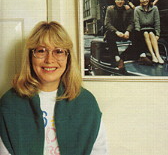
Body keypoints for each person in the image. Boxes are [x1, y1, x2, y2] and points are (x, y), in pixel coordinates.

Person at [0, 21, 107, 155]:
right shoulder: (9, 104)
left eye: (59, 51)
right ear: (30, 56)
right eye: (41, 51)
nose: (49, 60)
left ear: (68, 58)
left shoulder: (86, 103)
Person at [104, 0, 134, 70]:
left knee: (137, 33)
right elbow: (107, 23)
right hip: (115, 33)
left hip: (125, 33)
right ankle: (117, 58)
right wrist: (116, 32)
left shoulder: (128, 10)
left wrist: (128, 31)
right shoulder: (110, 9)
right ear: (115, 0)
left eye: (122, 0)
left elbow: (132, 23)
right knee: (109, 34)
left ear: (124, 1)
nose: (120, 1)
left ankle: (140, 55)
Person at [134, 0, 164, 64]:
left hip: (151, 29)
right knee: (146, 33)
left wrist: (157, 34)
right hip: (142, 31)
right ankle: (153, 55)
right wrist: (138, 36)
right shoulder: (137, 9)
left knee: (151, 33)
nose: (144, 0)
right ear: (140, 0)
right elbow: (137, 24)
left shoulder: (154, 8)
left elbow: (157, 22)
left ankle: (158, 55)